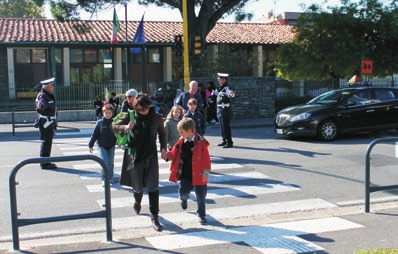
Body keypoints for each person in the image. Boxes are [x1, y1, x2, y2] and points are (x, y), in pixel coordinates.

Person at [112, 93, 167, 232]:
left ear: (149, 106)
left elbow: (162, 134)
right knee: (137, 187)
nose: (141, 112)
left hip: (151, 155)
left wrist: (164, 148)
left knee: (153, 187)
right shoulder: (131, 115)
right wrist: (126, 128)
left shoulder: (157, 118)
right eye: (138, 109)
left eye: (143, 109)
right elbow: (114, 126)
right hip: (134, 155)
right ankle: (137, 200)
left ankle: (155, 216)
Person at [163, 118, 211, 225]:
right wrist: (167, 156)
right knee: (184, 191)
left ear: (189, 130)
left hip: (199, 174)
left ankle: (201, 215)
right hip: (186, 173)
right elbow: (174, 153)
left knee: (201, 197)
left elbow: (206, 160)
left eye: (181, 131)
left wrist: (205, 174)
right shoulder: (181, 142)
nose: (180, 134)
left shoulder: (201, 143)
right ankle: (183, 198)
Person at [88, 104, 117, 186]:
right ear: (103, 113)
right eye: (106, 113)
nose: (108, 114)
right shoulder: (100, 123)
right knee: (105, 162)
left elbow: (118, 133)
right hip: (102, 145)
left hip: (111, 145)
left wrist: (119, 142)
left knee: (111, 162)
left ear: (112, 114)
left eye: (110, 113)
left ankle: (110, 178)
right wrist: (91, 145)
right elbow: (94, 135)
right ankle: (104, 178)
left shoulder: (114, 122)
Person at [34, 77, 58, 170]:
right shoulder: (43, 96)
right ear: (47, 87)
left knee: (48, 142)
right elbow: (42, 106)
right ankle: (44, 163)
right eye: (51, 85)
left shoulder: (47, 95)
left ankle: (46, 160)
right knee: (46, 142)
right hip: (45, 122)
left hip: (49, 121)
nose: (53, 87)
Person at [215, 73, 235, 148]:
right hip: (220, 110)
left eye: (219, 79)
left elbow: (229, 91)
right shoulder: (220, 87)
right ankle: (224, 140)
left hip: (225, 110)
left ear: (224, 80)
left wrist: (231, 94)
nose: (218, 80)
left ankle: (229, 142)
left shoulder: (226, 87)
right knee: (222, 126)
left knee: (226, 126)